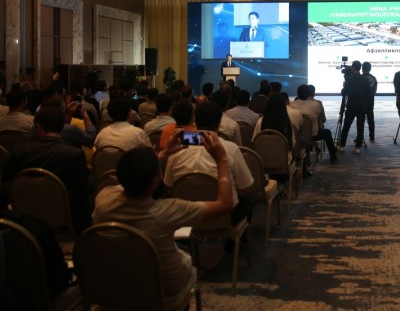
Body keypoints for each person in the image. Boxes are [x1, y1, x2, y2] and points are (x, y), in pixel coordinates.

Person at [93, 136, 234, 311]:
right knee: (184, 250)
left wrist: (164, 153)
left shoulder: (103, 198)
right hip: (163, 287)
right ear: (156, 180)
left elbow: (129, 181)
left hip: (116, 281)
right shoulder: (167, 211)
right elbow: (225, 205)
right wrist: (221, 160)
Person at [3, 106, 92, 234]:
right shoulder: (74, 154)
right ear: (62, 127)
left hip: (24, 216)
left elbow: (6, 181)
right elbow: (82, 191)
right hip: (65, 215)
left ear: (37, 126)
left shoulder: (20, 151)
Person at [163, 102, 253, 226]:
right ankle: (236, 237)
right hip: (223, 217)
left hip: (186, 216)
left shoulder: (177, 149)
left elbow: (168, 185)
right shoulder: (231, 149)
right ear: (219, 123)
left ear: (195, 120)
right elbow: (245, 187)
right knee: (248, 200)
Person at [289, 84, 338, 162]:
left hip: (296, 135)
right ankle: (333, 155)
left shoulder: (291, 105)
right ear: (309, 93)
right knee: (327, 133)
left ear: (297, 93)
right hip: (313, 135)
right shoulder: (316, 104)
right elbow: (322, 119)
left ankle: (312, 147)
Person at [339, 61, 370, 154]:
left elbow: (344, 92)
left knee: (346, 126)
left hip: (351, 106)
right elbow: (369, 94)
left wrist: (344, 87)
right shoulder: (365, 80)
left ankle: (342, 146)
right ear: (360, 68)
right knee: (360, 127)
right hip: (362, 106)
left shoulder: (349, 79)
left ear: (353, 68)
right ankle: (358, 148)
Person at [361, 62, 378, 143]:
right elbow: (374, 91)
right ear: (370, 69)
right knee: (371, 119)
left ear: (362, 68)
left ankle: (360, 137)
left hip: (360, 102)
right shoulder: (373, 78)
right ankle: (372, 137)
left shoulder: (360, 77)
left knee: (361, 120)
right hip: (370, 101)